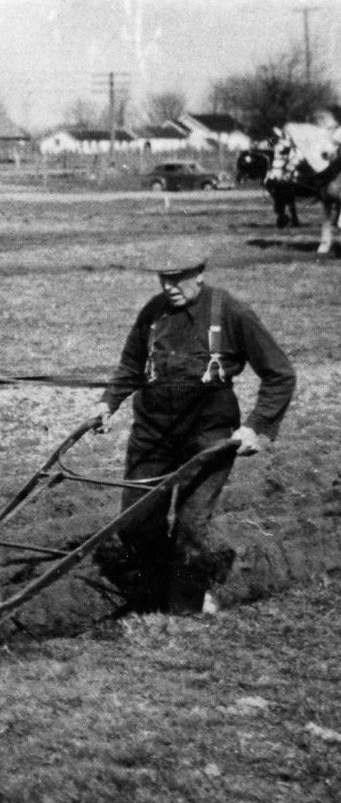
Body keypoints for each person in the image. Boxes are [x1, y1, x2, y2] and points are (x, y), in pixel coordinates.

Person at [94, 240, 295, 615]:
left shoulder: (231, 311)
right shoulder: (152, 313)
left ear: (199, 273)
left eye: (178, 277)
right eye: (163, 278)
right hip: (152, 431)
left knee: (191, 525)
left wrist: (256, 426)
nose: (169, 286)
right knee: (135, 522)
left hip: (208, 432)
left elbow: (280, 374)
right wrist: (108, 403)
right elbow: (131, 367)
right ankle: (156, 592)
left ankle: (185, 607)